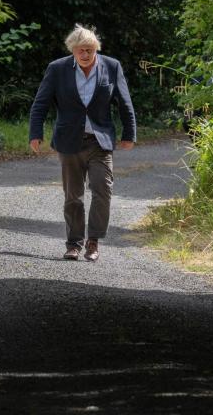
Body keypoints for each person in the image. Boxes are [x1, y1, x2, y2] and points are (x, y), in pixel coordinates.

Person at [29, 24, 136, 262]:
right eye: (81, 50)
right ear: (73, 51)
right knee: (73, 195)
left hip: (100, 141)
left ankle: (93, 240)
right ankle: (74, 243)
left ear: (96, 48)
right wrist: (35, 133)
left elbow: (124, 102)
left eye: (90, 50)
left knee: (103, 189)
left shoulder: (111, 66)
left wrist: (129, 134)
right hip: (69, 142)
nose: (86, 55)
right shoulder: (57, 69)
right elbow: (40, 103)